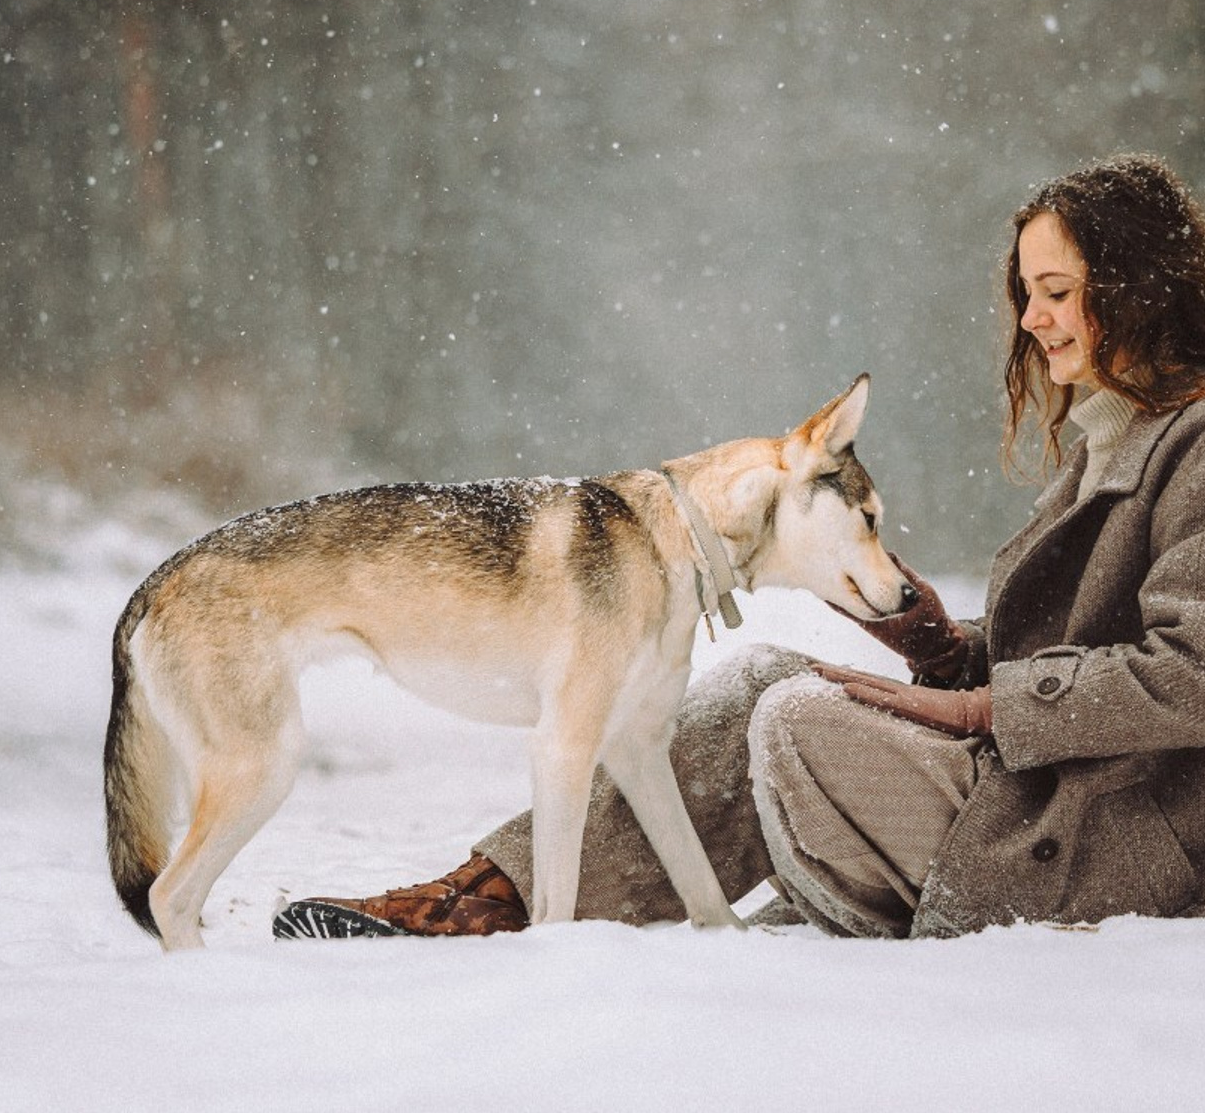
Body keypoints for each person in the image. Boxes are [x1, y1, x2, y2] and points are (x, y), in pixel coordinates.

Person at [273, 152, 1205, 941]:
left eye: (1057, 293)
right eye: (1028, 295)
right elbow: (1066, 658)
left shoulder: (1194, 447)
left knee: (795, 718)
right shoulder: (1108, 441)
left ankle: (807, 905)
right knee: (761, 678)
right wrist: (943, 650)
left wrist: (980, 709)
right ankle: (492, 896)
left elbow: (1191, 673)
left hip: (1102, 827)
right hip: (1038, 785)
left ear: (1137, 290)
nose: (1034, 319)